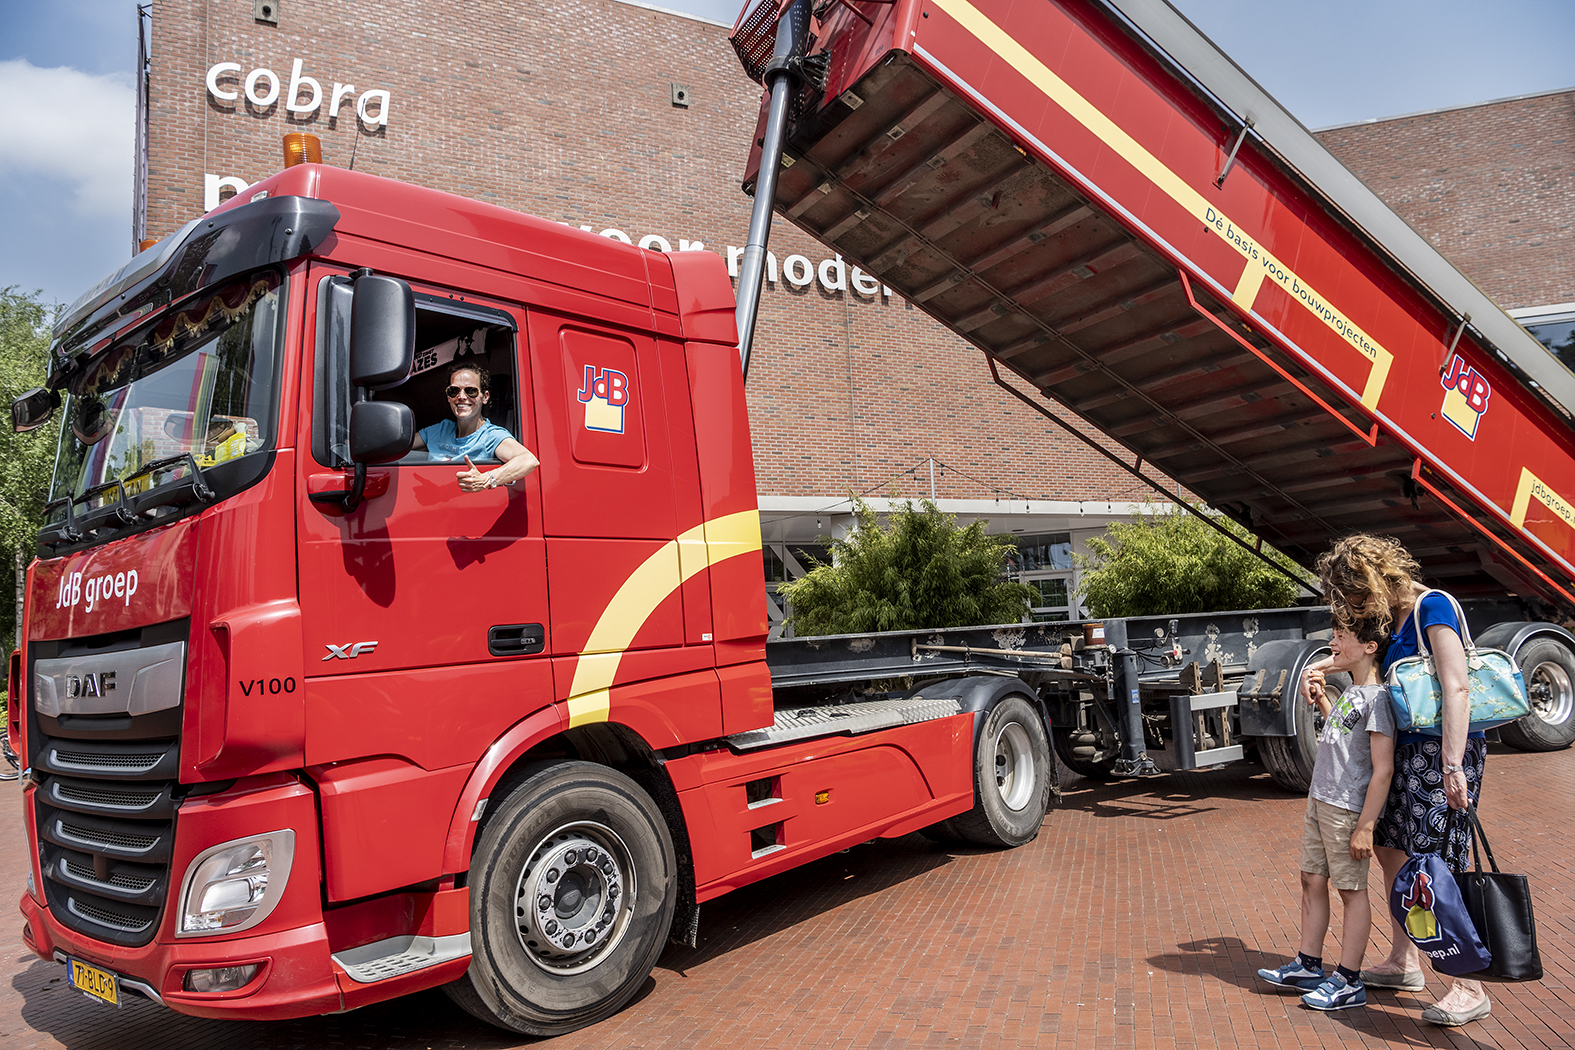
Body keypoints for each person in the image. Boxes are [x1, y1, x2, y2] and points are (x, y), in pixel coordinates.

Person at [1301, 533, 1490, 1027]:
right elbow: (1366, 669)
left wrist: (1453, 765)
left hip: (1440, 754)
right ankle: (1404, 962)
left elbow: (1456, 686)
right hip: (1404, 753)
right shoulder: (1392, 618)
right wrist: (1320, 668)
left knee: (1440, 863)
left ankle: (1468, 985)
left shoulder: (1433, 607)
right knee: (1392, 854)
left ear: (1375, 578)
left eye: (1355, 594)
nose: (1355, 606)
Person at [1258, 616, 1396, 1011]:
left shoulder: (1378, 700)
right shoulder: (1353, 691)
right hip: (1321, 799)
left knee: (1351, 890)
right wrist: (1322, 701)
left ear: (1369, 647)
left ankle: (1349, 980)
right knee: (1311, 879)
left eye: (1341, 637)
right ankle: (1308, 964)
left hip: (1346, 808)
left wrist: (1365, 826)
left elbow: (1382, 769)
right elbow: (1345, 736)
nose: (1333, 644)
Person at [412, 361, 539, 492]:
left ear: (485, 397)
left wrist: (487, 479)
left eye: (471, 391)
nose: (461, 397)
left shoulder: (491, 436)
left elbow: (528, 460)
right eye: (454, 391)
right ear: (448, 397)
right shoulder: (441, 429)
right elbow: (402, 446)